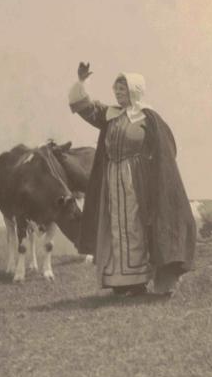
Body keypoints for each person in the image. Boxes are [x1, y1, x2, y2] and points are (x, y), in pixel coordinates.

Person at [68, 64, 196, 297]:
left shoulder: (149, 117)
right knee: (115, 228)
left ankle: (140, 280)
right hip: (112, 180)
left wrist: (149, 171)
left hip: (137, 181)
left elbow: (167, 149)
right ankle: (121, 282)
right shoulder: (111, 115)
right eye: (116, 90)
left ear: (135, 91)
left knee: (136, 226)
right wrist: (82, 82)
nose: (118, 94)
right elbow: (84, 107)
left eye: (123, 90)